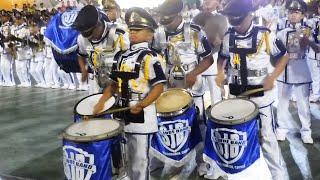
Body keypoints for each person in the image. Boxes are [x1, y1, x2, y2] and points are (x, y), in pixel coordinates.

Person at [215, 0, 290, 179]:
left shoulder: (265, 35)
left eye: (239, 21)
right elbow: (222, 57)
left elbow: (284, 57)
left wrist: (272, 77)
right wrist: (220, 73)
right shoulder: (228, 35)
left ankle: (278, 175)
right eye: (232, 21)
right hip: (237, 95)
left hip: (261, 96)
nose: (236, 25)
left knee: (267, 137)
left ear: (249, 15)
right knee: (239, 136)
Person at [93, 7, 166, 180]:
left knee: (140, 161)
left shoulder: (151, 57)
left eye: (138, 30)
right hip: (121, 112)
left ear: (150, 34)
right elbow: (113, 84)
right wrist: (101, 102)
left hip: (142, 113)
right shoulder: (120, 56)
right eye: (131, 30)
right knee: (124, 157)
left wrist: (142, 104)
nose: (132, 33)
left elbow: (158, 87)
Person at [154, 0, 214, 177]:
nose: (166, 24)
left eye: (169, 20)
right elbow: (154, 58)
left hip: (192, 85)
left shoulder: (195, 31)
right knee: (169, 124)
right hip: (168, 87)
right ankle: (170, 160)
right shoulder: (159, 33)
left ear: (178, 15)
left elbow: (208, 59)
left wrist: (193, 74)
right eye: (163, 21)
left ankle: (202, 162)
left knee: (199, 122)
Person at [275, 0, 318, 144]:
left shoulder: (307, 31)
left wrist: (309, 42)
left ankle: (306, 131)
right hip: (284, 71)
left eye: (296, 12)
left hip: (300, 70)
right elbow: (275, 53)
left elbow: (317, 49)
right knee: (282, 104)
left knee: (303, 105)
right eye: (290, 12)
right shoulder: (281, 33)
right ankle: (281, 129)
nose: (293, 15)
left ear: (302, 15)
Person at [72, 5, 129, 94]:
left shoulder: (119, 33)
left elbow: (132, 57)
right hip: (97, 83)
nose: (89, 39)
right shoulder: (82, 38)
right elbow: (81, 55)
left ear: (98, 24)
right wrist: (84, 70)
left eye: (91, 34)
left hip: (119, 83)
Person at [193, 0, 228, 105]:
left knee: (215, 94)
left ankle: (218, 118)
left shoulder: (221, 18)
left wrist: (217, 39)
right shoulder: (196, 17)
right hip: (198, 60)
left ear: (218, 3)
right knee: (196, 93)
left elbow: (222, 40)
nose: (207, 1)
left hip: (214, 58)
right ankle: (199, 117)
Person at [307, 5, 320, 103]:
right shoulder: (313, 21)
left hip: (316, 53)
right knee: (314, 75)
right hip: (313, 53)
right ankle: (315, 94)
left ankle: (316, 94)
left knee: (316, 75)